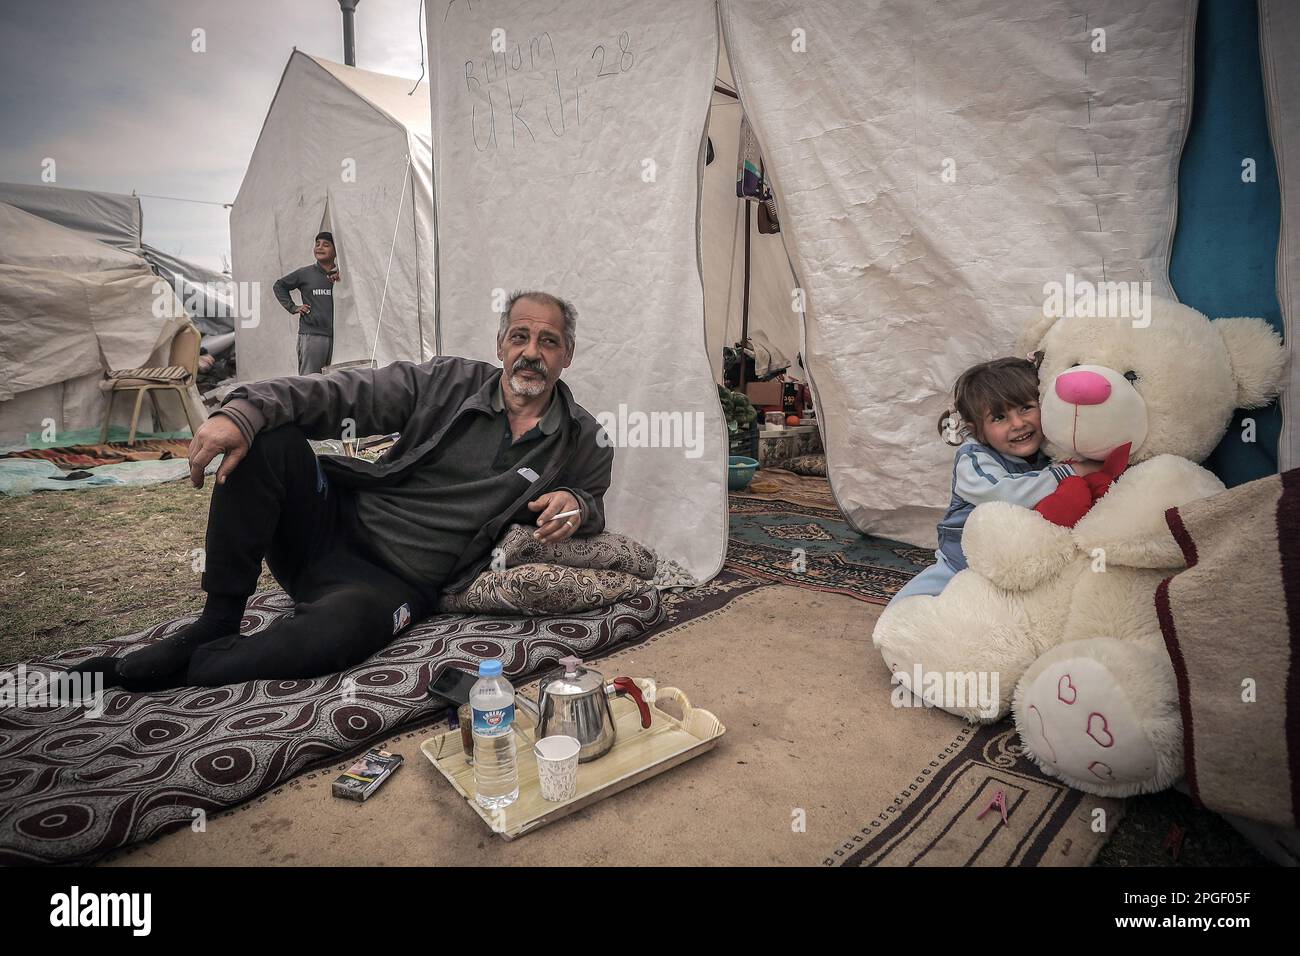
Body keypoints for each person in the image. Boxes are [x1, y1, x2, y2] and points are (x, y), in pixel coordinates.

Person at [72, 291, 611, 690]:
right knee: (270, 439)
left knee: (332, 642)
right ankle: (218, 619)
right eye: (520, 336)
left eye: (549, 341)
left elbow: (592, 503)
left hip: (392, 584)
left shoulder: (582, 437)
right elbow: (340, 393)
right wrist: (244, 410)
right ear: (500, 345)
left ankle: (188, 663)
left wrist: (576, 506)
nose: (531, 352)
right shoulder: (447, 383)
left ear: (568, 356)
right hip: (329, 528)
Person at [888, 356, 1101, 605]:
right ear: (978, 430)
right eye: (999, 418)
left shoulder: (1050, 451)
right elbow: (1004, 494)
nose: (1018, 423)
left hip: (1023, 561)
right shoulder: (973, 458)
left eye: (1026, 407)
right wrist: (1071, 473)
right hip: (963, 561)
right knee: (907, 607)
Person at [273, 232, 340, 374]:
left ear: (336, 251)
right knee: (311, 381)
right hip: (313, 336)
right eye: (317, 244)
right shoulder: (305, 273)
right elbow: (279, 286)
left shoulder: (341, 275)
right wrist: (294, 307)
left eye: (326, 245)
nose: (320, 248)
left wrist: (340, 276)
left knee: (335, 381)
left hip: (340, 337)